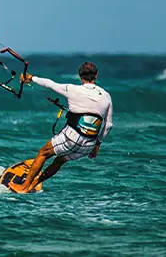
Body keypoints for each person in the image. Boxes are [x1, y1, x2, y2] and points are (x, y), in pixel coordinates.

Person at [11, 61, 113, 193]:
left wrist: (31, 78)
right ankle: (34, 183)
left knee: (43, 153)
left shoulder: (72, 89)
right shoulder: (106, 96)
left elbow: (50, 84)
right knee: (60, 160)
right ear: (96, 75)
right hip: (88, 145)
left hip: (72, 136)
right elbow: (109, 125)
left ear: (80, 76)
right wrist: (97, 144)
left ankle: (24, 187)